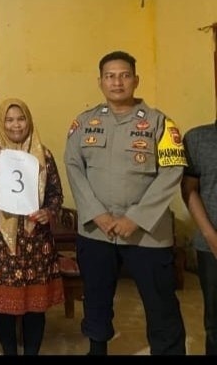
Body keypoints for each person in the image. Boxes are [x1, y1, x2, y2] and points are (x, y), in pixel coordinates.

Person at [64, 50, 186, 355]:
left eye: (124, 75)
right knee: (96, 301)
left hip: (147, 235)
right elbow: (73, 166)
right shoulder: (84, 123)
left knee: (161, 306)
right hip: (97, 232)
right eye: (110, 76)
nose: (117, 82)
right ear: (100, 82)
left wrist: (137, 218)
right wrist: (97, 213)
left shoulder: (160, 123)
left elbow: (173, 171)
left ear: (136, 80)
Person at [0, 97, 64, 355]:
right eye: (9, 120)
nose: (16, 125)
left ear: (29, 121)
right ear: (1, 122)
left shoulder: (43, 155)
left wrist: (49, 212)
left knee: (35, 305)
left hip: (35, 241)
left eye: (21, 119)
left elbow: (55, 194)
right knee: (2, 304)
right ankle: (9, 351)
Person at [181, 119, 217, 354]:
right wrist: (211, 236)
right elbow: (189, 189)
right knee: (214, 325)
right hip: (211, 246)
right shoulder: (197, 138)